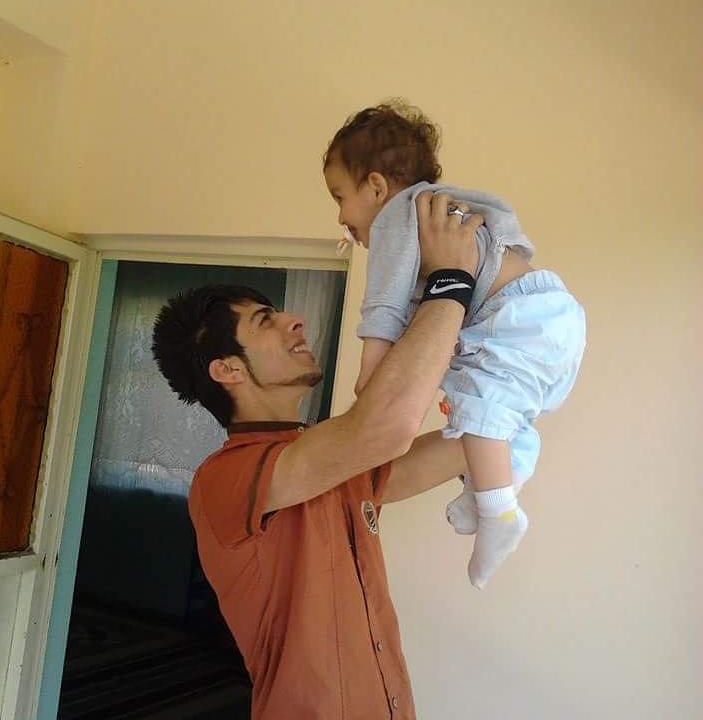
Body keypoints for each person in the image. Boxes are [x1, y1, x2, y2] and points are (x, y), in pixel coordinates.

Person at [151, 192, 482, 720]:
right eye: (266, 320)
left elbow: (456, 449)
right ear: (227, 370)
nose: (295, 321)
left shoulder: (327, 461)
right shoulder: (225, 477)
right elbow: (385, 428)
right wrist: (450, 283)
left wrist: (507, 391)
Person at [324, 100, 586, 589]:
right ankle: (495, 483)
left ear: (376, 186)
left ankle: (499, 510)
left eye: (339, 197)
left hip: (519, 317)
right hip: (541, 316)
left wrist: (371, 370)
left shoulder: (398, 215)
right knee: (485, 409)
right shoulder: (440, 208)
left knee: (479, 404)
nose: (340, 216)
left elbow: (384, 303)